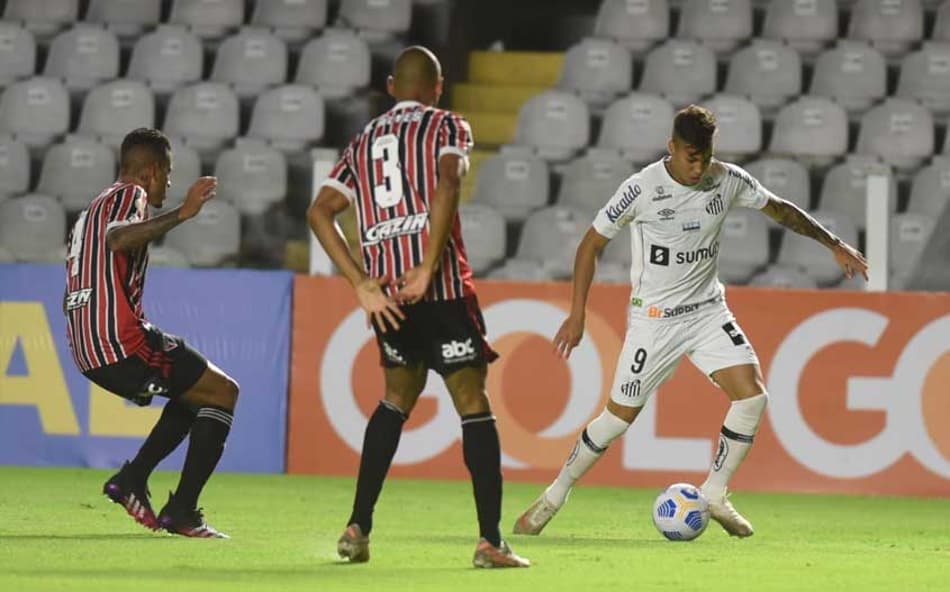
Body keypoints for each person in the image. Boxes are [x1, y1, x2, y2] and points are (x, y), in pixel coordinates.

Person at [513, 105, 869, 538]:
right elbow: (589, 246)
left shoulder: (727, 179)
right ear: (671, 148)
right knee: (616, 420)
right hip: (655, 320)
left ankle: (715, 493)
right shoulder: (641, 188)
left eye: (704, 156)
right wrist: (576, 315)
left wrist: (834, 244)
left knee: (753, 398)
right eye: (689, 156)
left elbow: (780, 210)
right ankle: (553, 496)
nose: (698, 166)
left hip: (706, 311)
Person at [308, 46, 529, 568]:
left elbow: (319, 213)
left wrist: (361, 283)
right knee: (472, 402)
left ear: (390, 86)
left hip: (388, 296)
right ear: (438, 86)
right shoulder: (448, 125)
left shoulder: (362, 140)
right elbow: (449, 181)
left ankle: (358, 525)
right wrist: (429, 265)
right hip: (443, 288)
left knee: (394, 400)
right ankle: (491, 542)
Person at [64, 127, 237, 538]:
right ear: (151, 172)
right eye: (169, 174)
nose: (169, 183)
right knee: (223, 392)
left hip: (87, 345)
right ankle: (181, 511)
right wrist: (182, 212)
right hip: (118, 339)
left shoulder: (91, 208)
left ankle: (132, 480)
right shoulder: (131, 195)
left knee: (195, 392)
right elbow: (118, 239)